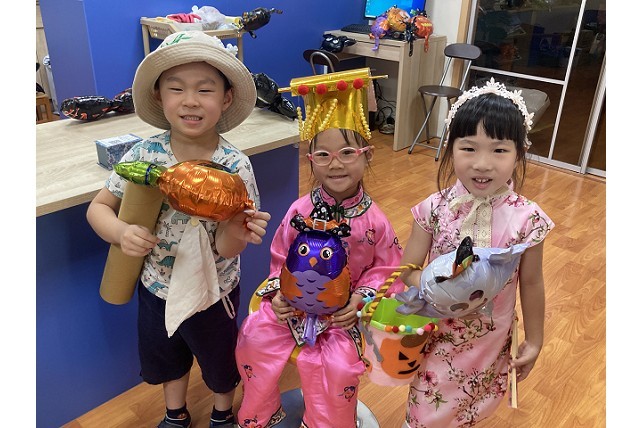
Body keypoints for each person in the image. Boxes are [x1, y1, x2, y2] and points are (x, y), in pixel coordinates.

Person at [86, 31, 271, 428]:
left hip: (214, 291)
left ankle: (222, 413)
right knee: (167, 357)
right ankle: (176, 414)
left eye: (205, 89)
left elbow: (227, 247)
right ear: (159, 96)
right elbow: (98, 208)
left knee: (220, 361)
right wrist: (119, 233)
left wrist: (238, 230)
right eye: (176, 88)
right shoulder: (144, 154)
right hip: (156, 286)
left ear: (225, 99)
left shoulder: (235, 166)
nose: (190, 100)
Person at [234, 69, 403, 428]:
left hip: (345, 315)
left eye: (347, 152)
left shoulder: (375, 220)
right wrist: (280, 294)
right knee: (254, 337)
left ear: (368, 155)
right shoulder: (299, 211)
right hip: (293, 306)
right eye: (323, 154)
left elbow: (387, 269)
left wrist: (360, 300)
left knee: (338, 368)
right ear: (310, 159)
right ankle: (262, 415)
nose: (336, 164)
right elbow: (280, 257)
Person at [398, 78, 554, 427]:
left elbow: (531, 283)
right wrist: (435, 284)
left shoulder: (527, 219)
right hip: (437, 334)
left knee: (471, 413)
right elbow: (406, 269)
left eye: (499, 150)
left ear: (519, 153)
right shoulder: (434, 209)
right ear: (450, 147)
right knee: (425, 412)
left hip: (490, 341)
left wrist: (535, 340)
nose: (483, 164)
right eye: (469, 148)